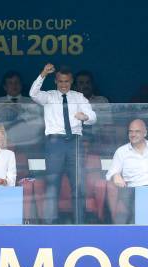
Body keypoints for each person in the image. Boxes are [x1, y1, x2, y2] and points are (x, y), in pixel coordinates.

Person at [30, 63, 97, 224]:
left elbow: (93, 116)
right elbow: (33, 94)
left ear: (71, 81)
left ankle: (78, 223)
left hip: (75, 142)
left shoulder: (79, 96)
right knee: (53, 185)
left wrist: (85, 118)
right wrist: (43, 73)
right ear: (56, 81)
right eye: (60, 81)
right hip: (55, 143)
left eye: (67, 81)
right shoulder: (49, 96)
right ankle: (49, 224)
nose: (64, 85)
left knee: (78, 185)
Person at [105, 119, 148, 224]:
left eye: (137, 131)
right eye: (130, 131)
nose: (133, 134)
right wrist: (115, 175)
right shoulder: (122, 151)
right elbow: (110, 174)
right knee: (138, 208)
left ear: (145, 133)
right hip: (133, 191)